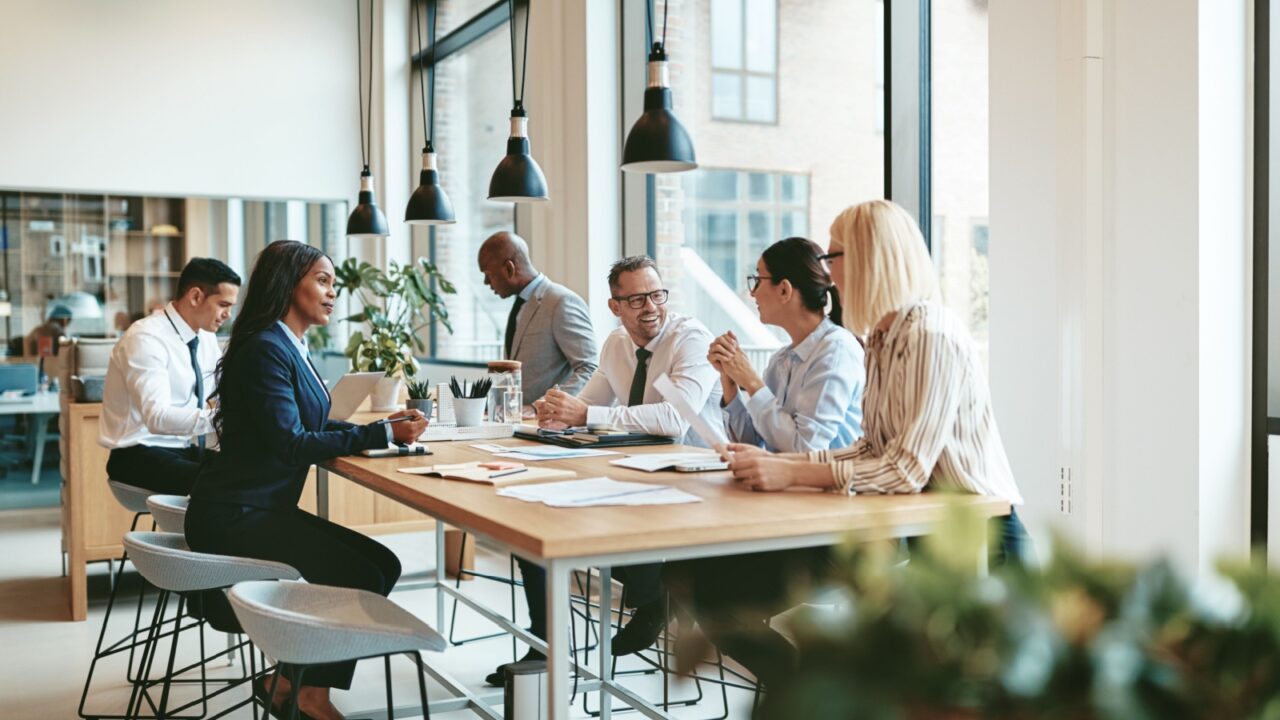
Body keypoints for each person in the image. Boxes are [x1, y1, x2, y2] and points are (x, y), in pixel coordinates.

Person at [664, 199, 1030, 693]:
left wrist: (789, 470)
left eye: (833, 257)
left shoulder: (929, 335)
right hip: (926, 525)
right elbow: (868, 447)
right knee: (714, 590)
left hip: (979, 534)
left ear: (870, 258)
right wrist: (781, 464)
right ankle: (798, 691)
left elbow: (903, 469)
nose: (828, 274)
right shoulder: (881, 338)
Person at [185, 241, 427, 720]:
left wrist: (382, 429)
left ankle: (287, 680)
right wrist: (377, 433)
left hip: (260, 507)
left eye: (333, 282)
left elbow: (311, 423)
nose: (332, 292)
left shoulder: (287, 343)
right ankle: (309, 694)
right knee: (360, 574)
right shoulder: (263, 348)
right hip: (236, 514)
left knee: (382, 565)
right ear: (287, 283)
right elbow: (292, 442)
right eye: (322, 280)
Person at [483, 257, 721, 686]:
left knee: (606, 511)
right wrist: (556, 414)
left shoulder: (690, 339)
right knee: (537, 516)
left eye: (656, 295)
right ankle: (552, 644)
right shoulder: (616, 344)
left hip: (699, 474)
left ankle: (655, 597)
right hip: (641, 468)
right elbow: (587, 406)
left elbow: (674, 420)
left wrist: (585, 412)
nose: (650, 307)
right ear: (615, 306)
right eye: (636, 299)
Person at [99, 258, 241, 494]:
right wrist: (225, 417)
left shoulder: (205, 337)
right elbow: (157, 417)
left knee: (251, 472)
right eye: (223, 304)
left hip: (180, 448)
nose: (228, 314)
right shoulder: (146, 338)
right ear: (196, 297)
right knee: (223, 484)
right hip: (136, 453)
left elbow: (222, 389)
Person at [711, 236, 864, 453]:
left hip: (827, 486)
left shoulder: (836, 350)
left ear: (784, 289)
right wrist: (730, 381)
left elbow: (806, 450)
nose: (752, 292)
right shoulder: (781, 360)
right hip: (785, 485)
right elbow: (751, 445)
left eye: (758, 280)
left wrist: (752, 382)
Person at [477, 231, 598, 405]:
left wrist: (542, 406)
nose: (486, 283)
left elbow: (590, 368)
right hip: (517, 422)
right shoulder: (520, 304)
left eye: (488, 274)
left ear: (509, 268)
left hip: (546, 424)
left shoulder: (561, 302)